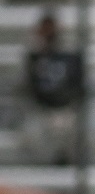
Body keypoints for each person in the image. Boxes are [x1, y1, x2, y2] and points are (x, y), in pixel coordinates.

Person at [22, 9, 83, 165]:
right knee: (33, 132)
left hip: (67, 109)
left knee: (80, 128)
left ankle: (67, 163)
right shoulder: (33, 57)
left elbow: (78, 85)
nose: (49, 32)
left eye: (52, 27)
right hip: (41, 110)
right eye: (45, 28)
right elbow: (29, 87)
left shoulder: (70, 56)